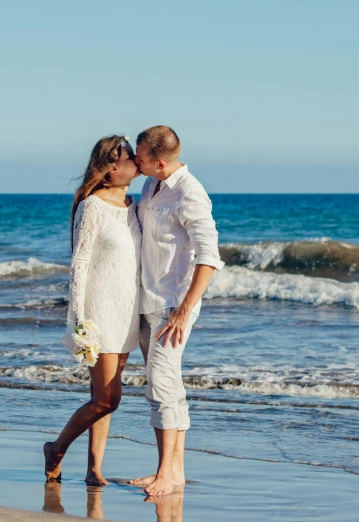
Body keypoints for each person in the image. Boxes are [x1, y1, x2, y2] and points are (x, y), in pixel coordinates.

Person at [128, 125, 224, 496]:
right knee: (166, 387)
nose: (136, 162)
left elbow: (209, 257)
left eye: (141, 157)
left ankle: (166, 473)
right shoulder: (151, 184)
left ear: (161, 162)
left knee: (162, 384)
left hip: (173, 305)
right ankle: (174, 471)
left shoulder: (190, 193)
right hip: (148, 298)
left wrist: (185, 310)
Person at [44, 134, 142, 486]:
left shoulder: (137, 205)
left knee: (102, 398)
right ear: (111, 167)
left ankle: (93, 469)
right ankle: (56, 448)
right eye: (130, 155)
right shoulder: (92, 207)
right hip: (99, 312)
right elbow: (79, 264)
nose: (137, 159)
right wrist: (78, 319)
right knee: (108, 399)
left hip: (128, 311)